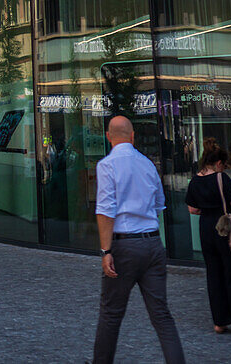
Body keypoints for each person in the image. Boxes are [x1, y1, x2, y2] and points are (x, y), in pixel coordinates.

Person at [92, 115, 185, 364]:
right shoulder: (148, 164)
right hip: (152, 243)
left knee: (111, 313)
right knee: (162, 315)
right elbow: (159, 205)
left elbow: (105, 210)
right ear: (132, 137)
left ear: (108, 137)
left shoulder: (107, 165)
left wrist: (106, 251)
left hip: (124, 245)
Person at [185, 137, 231, 336]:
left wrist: (207, 210)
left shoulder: (195, 180)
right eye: (224, 164)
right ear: (219, 163)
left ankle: (220, 322)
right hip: (226, 228)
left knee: (214, 274)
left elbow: (192, 209)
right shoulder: (221, 178)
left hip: (206, 229)